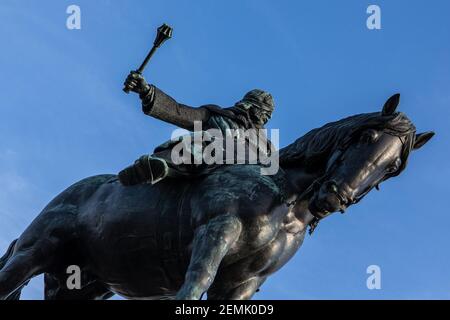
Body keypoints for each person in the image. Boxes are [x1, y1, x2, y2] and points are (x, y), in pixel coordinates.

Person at [118, 71, 275, 186]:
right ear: (248, 105)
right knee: (206, 142)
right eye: (263, 112)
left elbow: (275, 173)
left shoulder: (267, 146)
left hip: (241, 184)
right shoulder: (217, 115)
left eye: (268, 116)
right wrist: (147, 92)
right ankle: (152, 168)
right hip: (206, 166)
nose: (265, 118)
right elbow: (179, 112)